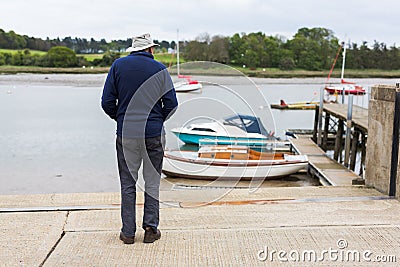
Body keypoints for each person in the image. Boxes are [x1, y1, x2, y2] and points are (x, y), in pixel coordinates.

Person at [101, 33, 178, 244]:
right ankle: (151, 230)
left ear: (133, 49)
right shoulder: (160, 69)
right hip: (153, 134)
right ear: (150, 49)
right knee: (152, 182)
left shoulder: (118, 66)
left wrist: (122, 118)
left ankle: (127, 233)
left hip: (126, 133)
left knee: (128, 183)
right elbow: (171, 104)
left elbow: (107, 102)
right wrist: (156, 121)